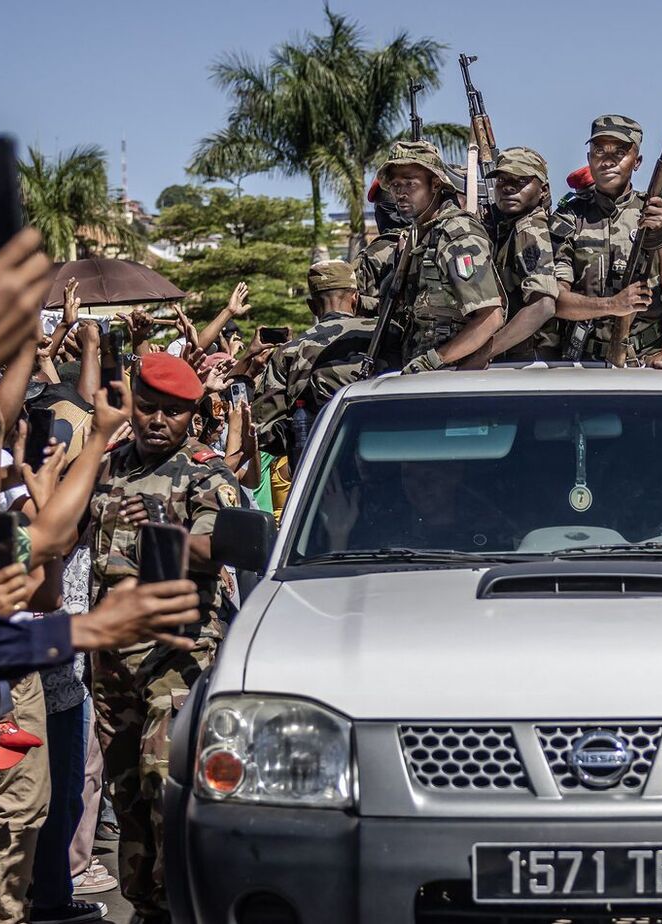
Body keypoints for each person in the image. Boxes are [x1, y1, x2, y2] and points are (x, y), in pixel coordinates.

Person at [88, 350, 244, 924]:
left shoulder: (205, 473)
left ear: (192, 415)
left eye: (172, 413)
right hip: (112, 662)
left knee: (166, 791)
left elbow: (218, 546)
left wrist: (159, 526)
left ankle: (183, 906)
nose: (157, 421)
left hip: (177, 656)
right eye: (148, 408)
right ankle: (145, 907)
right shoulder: (108, 465)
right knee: (126, 792)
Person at [550, 116, 662, 367]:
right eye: (599, 150)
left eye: (620, 152)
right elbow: (556, 301)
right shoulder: (569, 218)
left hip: (649, 359)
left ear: (636, 162)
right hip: (583, 361)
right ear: (589, 159)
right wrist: (613, 305)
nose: (607, 160)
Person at [375, 140, 507, 373]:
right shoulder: (420, 233)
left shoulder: (456, 233)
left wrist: (435, 360)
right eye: (395, 185)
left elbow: (490, 318)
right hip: (426, 371)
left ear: (435, 184)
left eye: (409, 183)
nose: (400, 193)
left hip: (452, 377)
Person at [255, 260, 374, 458]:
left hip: (320, 472)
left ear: (311, 306)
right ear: (355, 298)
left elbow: (264, 431)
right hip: (390, 464)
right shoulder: (386, 334)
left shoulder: (289, 351)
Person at [467, 147, 565, 364]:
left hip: (530, 361)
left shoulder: (530, 228)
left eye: (521, 182)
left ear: (544, 191)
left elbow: (543, 306)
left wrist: (482, 354)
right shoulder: (504, 226)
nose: (508, 188)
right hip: (517, 358)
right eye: (502, 180)